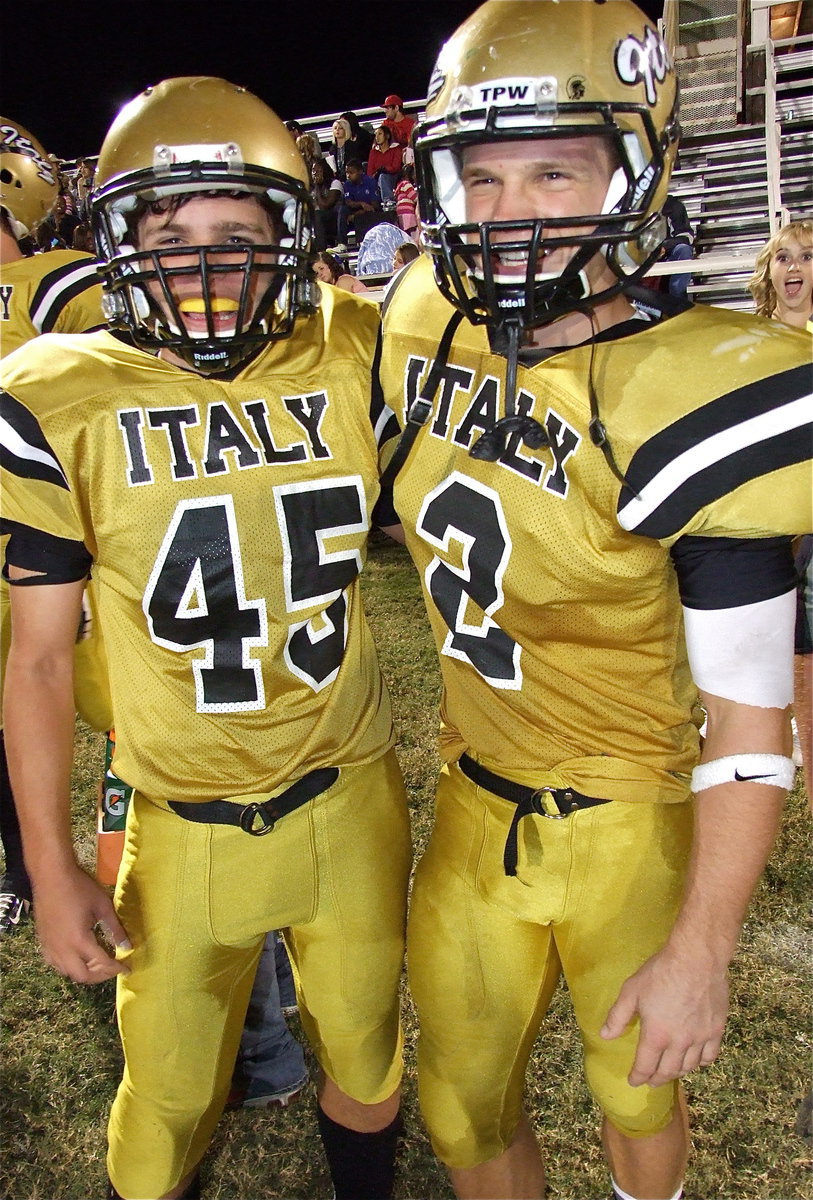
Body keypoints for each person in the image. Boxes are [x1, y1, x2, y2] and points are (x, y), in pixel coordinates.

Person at [378, 5, 812, 1200]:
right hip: (471, 804)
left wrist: (704, 947)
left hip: (628, 820)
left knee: (636, 1094)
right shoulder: (417, 320)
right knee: (462, 1110)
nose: (512, 212)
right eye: (484, 176)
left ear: (634, 173)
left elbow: (748, 722)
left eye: (555, 169)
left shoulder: (685, 390)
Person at [0, 76, 411, 1200]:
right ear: (118, 244)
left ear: (293, 239)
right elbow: (36, 655)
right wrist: (44, 857)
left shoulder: (352, 350)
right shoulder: (60, 395)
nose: (206, 262)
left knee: (370, 1057)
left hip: (348, 793)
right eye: (170, 235)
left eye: (240, 231)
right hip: (175, 818)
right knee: (169, 1096)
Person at [0, 117, 106, 935]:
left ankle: (249, 1001)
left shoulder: (55, 282)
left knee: (149, 756)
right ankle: (27, 870)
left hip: (64, 556)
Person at [748, 219, 813, 331]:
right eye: (783, 258)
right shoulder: (752, 336)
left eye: (806, 257)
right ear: (768, 269)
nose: (794, 267)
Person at [336, 158, 380, 249]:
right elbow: (349, 202)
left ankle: (362, 243)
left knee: (364, 215)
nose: (348, 176)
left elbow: (374, 206)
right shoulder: (347, 184)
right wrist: (361, 204)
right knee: (342, 210)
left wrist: (358, 213)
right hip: (356, 209)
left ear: (360, 171)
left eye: (351, 173)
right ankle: (342, 244)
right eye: (347, 172)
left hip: (369, 212)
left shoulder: (370, 182)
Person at [660, 194, 694, 298]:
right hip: (639, 258)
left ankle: (677, 299)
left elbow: (687, 237)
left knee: (683, 250)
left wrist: (664, 247)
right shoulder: (632, 206)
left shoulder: (673, 205)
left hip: (668, 255)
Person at [311, 158, 343, 251]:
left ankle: (321, 250)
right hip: (318, 223)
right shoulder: (311, 188)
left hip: (334, 221)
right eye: (313, 171)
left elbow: (325, 206)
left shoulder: (335, 183)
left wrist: (317, 187)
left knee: (317, 214)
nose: (315, 174)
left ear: (325, 171)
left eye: (319, 171)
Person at [366, 126, 403, 206]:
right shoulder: (373, 152)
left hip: (393, 176)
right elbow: (369, 171)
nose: (377, 137)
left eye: (380, 134)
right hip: (376, 177)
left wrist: (384, 169)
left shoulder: (396, 149)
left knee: (383, 176)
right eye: (376, 135)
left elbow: (396, 167)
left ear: (387, 136)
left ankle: (389, 201)